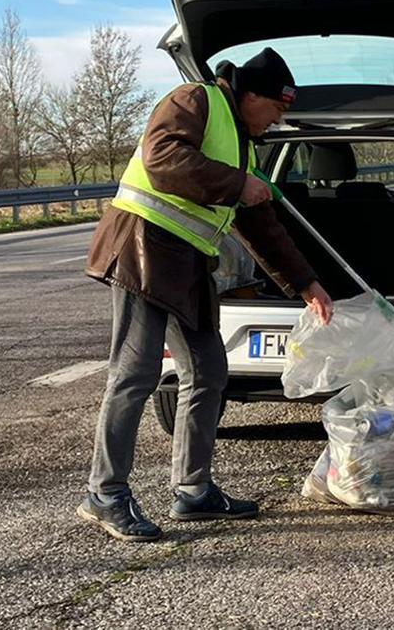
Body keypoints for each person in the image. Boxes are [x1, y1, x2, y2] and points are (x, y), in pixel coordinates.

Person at [78, 47, 334, 542]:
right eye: (277, 108)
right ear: (251, 94)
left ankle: (193, 491)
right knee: (135, 374)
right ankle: (105, 493)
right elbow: (162, 159)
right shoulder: (194, 100)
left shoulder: (244, 144)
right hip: (142, 249)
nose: (280, 119)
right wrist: (238, 183)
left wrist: (307, 284)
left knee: (209, 372)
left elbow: (263, 228)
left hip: (187, 263)